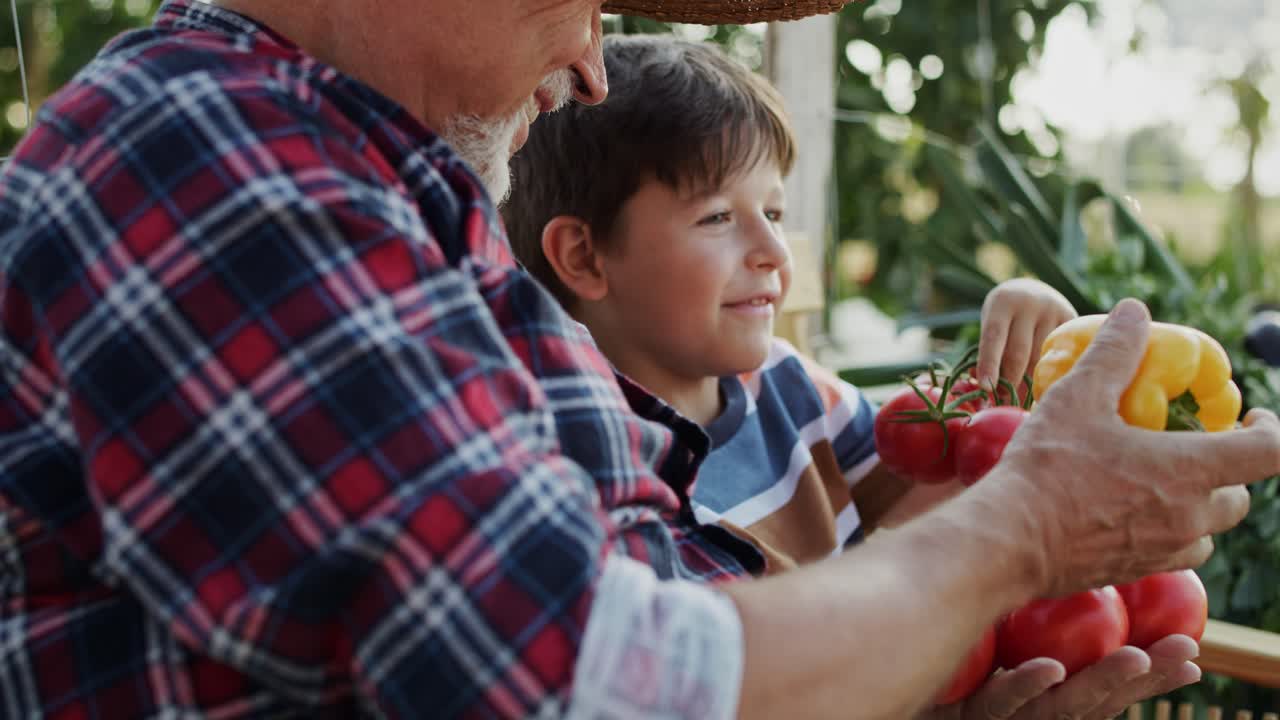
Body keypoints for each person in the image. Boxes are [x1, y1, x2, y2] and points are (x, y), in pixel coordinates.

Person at [0, 1, 1274, 718]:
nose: (590, 61)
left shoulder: (389, 197)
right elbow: (576, 682)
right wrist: (1027, 532)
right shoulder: (212, 151)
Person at [503, 34, 1078, 570]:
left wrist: (1032, 348)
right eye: (718, 217)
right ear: (583, 256)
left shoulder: (792, 387)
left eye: (773, 214)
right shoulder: (582, 470)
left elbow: (934, 493)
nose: (775, 253)